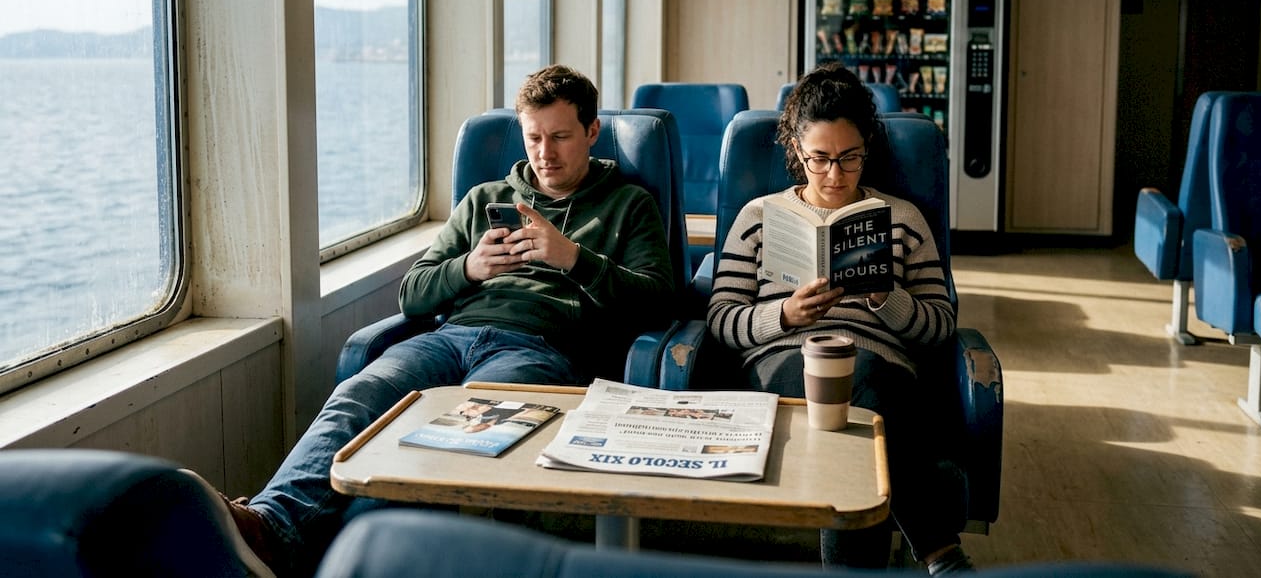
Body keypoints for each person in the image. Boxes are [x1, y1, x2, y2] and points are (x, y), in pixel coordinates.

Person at [202, 64, 675, 576]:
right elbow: (413, 293)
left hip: (540, 346)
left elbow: (657, 302)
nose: (545, 153)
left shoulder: (630, 205)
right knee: (357, 397)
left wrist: (573, 259)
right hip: (449, 339)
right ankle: (270, 529)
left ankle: (356, 555)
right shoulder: (484, 200)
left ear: (591, 132)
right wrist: (469, 268)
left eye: (560, 136)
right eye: (534, 137)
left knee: (456, 437)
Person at [706, 63, 972, 574]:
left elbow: (940, 325)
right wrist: (785, 313)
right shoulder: (759, 216)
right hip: (781, 361)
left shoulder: (902, 218)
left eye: (849, 158)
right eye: (819, 159)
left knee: (859, 381)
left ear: (866, 148)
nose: (834, 175)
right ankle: (940, 551)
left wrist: (883, 299)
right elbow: (722, 319)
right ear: (796, 151)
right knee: (849, 388)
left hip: (879, 361)